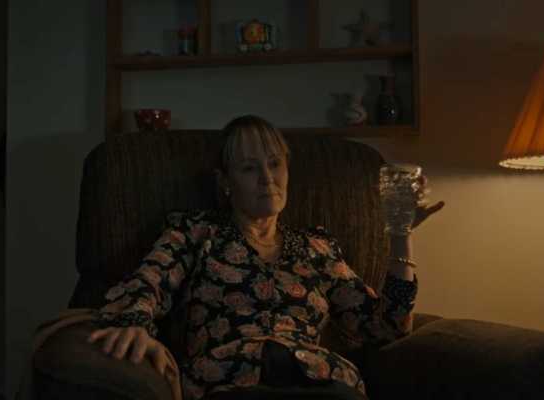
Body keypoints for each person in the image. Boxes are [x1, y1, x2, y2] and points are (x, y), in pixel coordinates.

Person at [86, 115, 445, 399]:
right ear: (225, 182)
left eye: (275, 164)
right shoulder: (195, 232)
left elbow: (385, 327)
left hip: (321, 384)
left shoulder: (317, 247)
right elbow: (148, 282)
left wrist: (401, 234)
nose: (267, 178)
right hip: (232, 382)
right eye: (249, 168)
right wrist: (134, 322)